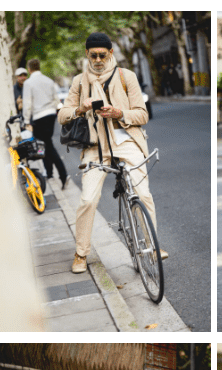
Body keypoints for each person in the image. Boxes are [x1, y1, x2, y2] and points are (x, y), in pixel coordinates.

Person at [58, 32, 166, 275]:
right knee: (87, 199)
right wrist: (80, 108)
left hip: (126, 140)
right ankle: (81, 253)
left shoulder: (126, 76)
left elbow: (143, 114)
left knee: (143, 193)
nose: (98, 59)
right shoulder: (79, 81)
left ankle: (152, 244)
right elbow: (62, 115)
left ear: (111, 53)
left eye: (102, 55)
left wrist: (119, 113)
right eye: (93, 55)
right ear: (87, 54)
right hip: (95, 147)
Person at [22, 58, 69, 189]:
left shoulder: (28, 83)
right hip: (51, 114)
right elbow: (56, 99)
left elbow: (27, 103)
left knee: (46, 146)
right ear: (39, 67)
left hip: (39, 116)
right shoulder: (48, 81)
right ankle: (50, 174)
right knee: (45, 145)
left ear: (29, 69)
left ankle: (63, 174)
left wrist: (26, 121)